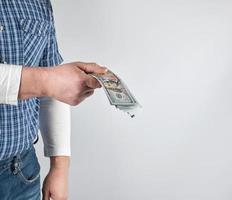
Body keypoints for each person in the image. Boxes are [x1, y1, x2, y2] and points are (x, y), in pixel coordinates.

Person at [0, 0, 107, 199]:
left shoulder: (39, 3)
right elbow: (51, 81)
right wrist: (48, 81)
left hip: (21, 173)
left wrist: (60, 166)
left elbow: (53, 86)